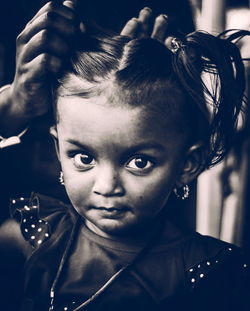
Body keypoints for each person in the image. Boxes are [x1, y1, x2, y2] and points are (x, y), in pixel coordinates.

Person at [6, 4, 250, 309]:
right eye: (84, 158)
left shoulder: (209, 271)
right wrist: (12, 104)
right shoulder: (35, 234)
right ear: (58, 149)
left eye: (139, 162)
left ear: (188, 164)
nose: (106, 186)